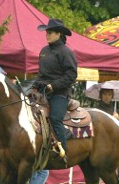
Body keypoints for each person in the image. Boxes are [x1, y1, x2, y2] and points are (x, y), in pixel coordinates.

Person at [33, 19, 77, 155]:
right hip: (42, 91)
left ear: (59, 34)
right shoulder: (43, 51)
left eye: (50, 32)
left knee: (55, 118)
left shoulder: (65, 52)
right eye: (46, 32)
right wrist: (33, 86)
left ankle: (61, 151)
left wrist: (54, 86)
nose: (47, 35)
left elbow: (72, 74)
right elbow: (41, 74)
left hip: (59, 94)